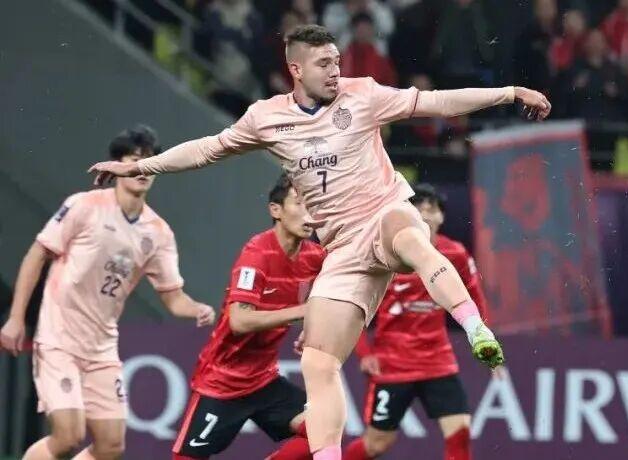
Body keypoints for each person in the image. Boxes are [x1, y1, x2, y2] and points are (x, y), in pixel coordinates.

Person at [87, 24, 550, 460]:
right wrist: (140, 167)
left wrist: (509, 92)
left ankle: (474, 327)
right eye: (324, 64)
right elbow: (207, 149)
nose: (335, 72)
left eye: (337, 62)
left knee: (413, 239)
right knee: (318, 363)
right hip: (343, 249)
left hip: (383, 213)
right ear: (296, 69)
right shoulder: (266, 118)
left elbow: (436, 102)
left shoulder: (362, 94)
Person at [1, 126, 216, 460]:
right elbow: (37, 255)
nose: (142, 170)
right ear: (117, 165)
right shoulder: (84, 206)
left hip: (101, 348)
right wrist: (16, 318)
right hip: (59, 338)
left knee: (111, 445)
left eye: (149, 162)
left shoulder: (158, 233)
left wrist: (197, 308)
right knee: (68, 436)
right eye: (134, 160)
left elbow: (174, 299)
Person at [172, 175, 325, 460]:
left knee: (325, 428)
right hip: (222, 379)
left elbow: (331, 296)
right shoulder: (257, 253)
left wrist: (311, 326)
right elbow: (239, 321)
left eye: (313, 204)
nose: (310, 214)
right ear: (276, 210)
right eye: (299, 203)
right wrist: (303, 312)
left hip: (264, 379)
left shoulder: (315, 257)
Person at [345, 184, 487, 460]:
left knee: (460, 433)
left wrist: (483, 339)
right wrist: (365, 353)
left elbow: (474, 298)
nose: (425, 214)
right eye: (418, 208)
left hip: (438, 362)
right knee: (376, 445)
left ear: (441, 217)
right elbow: (356, 308)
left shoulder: (455, 253)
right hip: (393, 365)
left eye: (432, 208)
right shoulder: (385, 253)